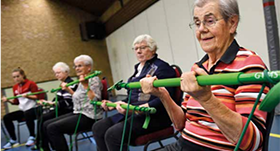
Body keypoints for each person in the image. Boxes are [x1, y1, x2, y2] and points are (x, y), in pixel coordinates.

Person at [140, 0, 270, 151]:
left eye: (209, 21)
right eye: (197, 23)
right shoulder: (198, 67)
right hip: (183, 145)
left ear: (232, 23)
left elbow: (252, 142)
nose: (201, 29)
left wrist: (207, 99)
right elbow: (180, 124)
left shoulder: (249, 65)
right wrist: (162, 94)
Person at [92, 34, 179, 151]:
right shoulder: (138, 68)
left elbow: (166, 97)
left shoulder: (162, 68)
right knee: (98, 127)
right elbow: (131, 98)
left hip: (153, 115)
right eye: (136, 48)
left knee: (113, 134)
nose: (138, 51)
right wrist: (114, 105)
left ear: (153, 49)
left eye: (143, 48)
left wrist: (137, 109)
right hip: (133, 112)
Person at [44, 55, 103, 151]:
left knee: (52, 128)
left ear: (89, 67)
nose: (77, 68)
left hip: (90, 116)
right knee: (46, 124)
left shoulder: (93, 79)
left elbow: (95, 100)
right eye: (75, 66)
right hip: (79, 112)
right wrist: (68, 89)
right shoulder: (82, 80)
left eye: (80, 66)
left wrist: (85, 85)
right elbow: (77, 96)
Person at [32, 62, 78, 150]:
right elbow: (57, 99)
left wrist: (53, 104)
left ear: (66, 72)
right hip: (61, 109)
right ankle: (44, 145)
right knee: (42, 118)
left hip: (68, 110)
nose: (56, 75)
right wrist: (48, 102)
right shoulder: (62, 84)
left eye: (58, 72)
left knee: (44, 120)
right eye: (55, 73)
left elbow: (68, 102)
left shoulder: (70, 84)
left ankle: (44, 146)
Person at [2, 68, 43, 149]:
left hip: (34, 109)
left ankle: (32, 136)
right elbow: (16, 102)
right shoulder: (15, 87)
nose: (16, 79)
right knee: (6, 117)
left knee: (27, 113)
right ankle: (13, 139)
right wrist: (8, 100)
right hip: (23, 110)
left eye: (18, 76)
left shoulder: (31, 84)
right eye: (14, 77)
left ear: (23, 75)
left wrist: (28, 96)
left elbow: (38, 97)